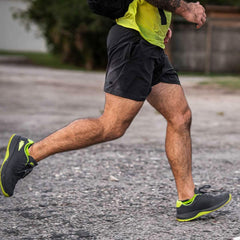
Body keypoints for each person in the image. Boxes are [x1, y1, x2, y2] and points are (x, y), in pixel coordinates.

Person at [0, 0, 231, 222]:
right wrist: (186, 8)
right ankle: (27, 153)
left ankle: (187, 199)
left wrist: (160, 25)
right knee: (111, 126)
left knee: (180, 117)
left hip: (151, 43)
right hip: (134, 43)